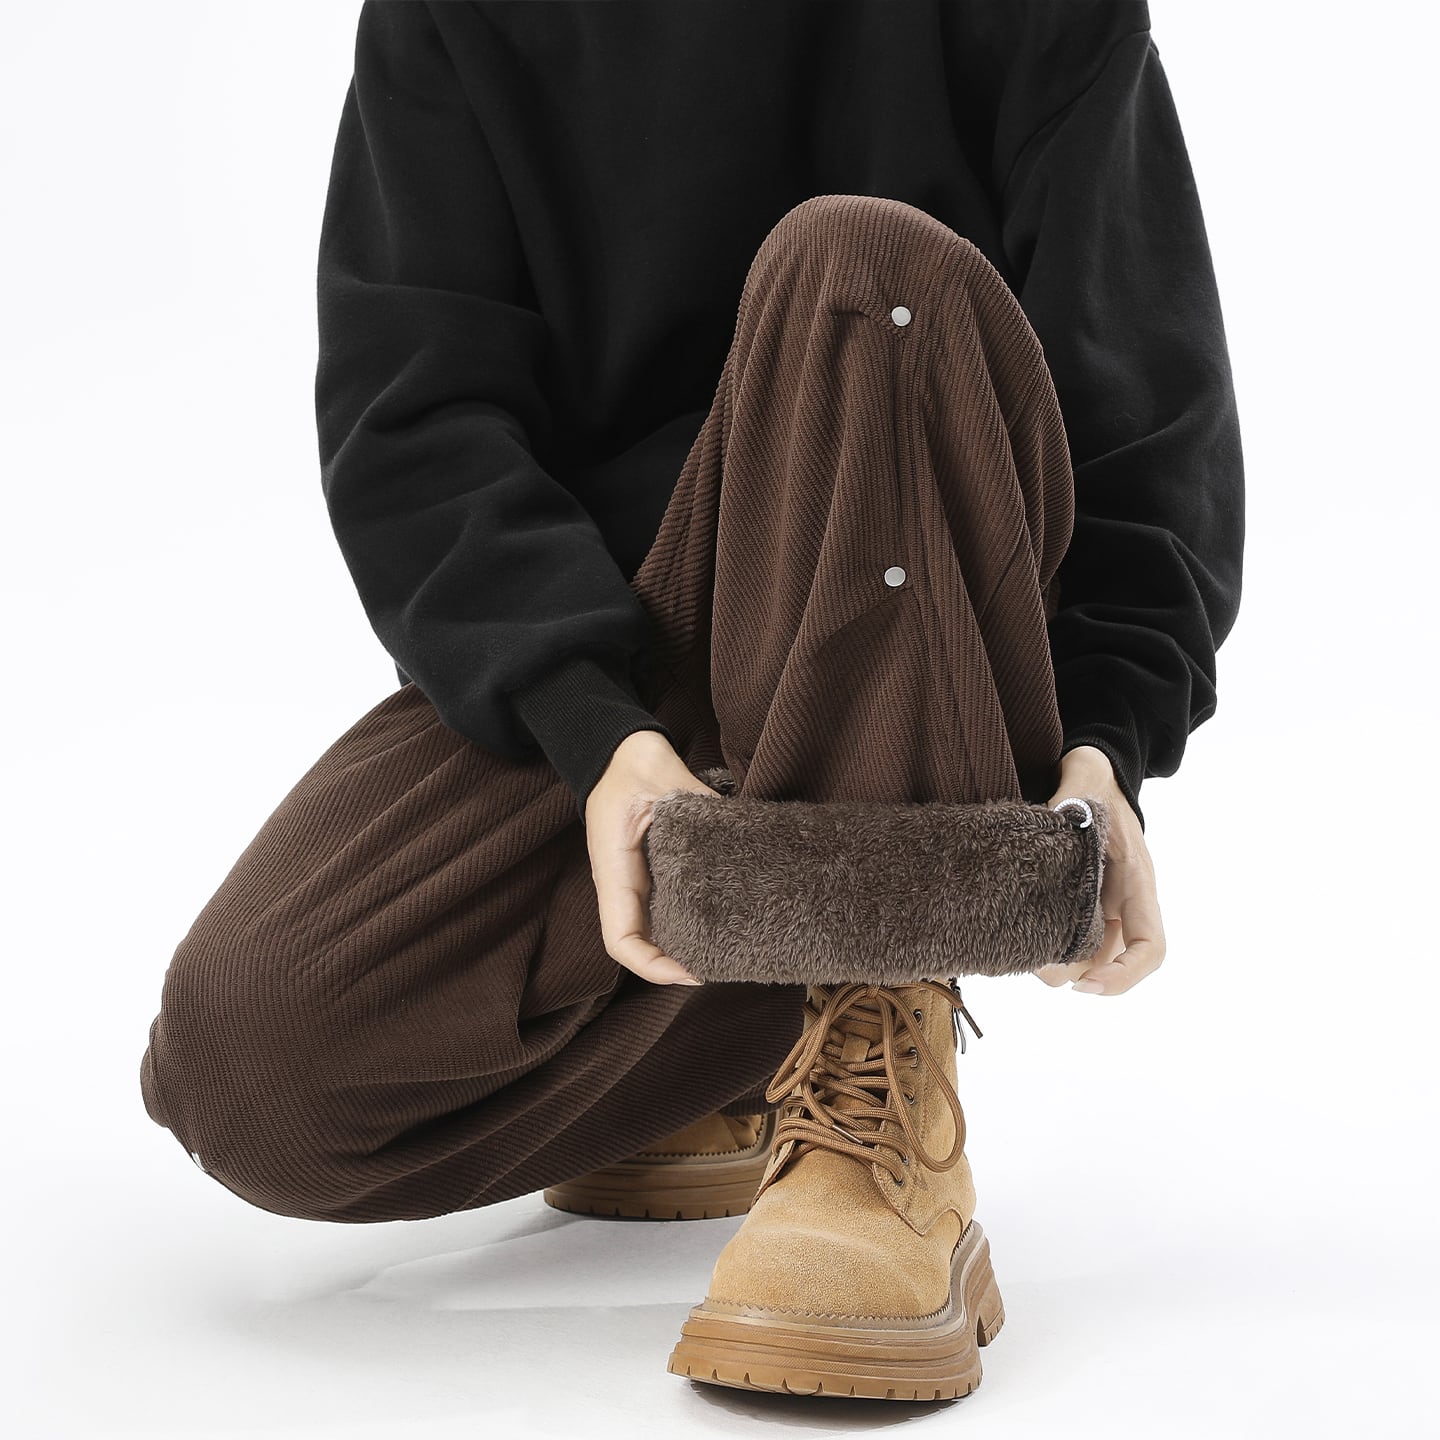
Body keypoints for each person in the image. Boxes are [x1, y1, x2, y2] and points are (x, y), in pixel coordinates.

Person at [139, 0, 1244, 1404]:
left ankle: (878, 1093)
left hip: (933, 616)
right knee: (254, 1069)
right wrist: (595, 729)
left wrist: (1107, 742)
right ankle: (734, 1053)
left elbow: (1148, 412)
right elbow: (416, 414)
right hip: (639, 638)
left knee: (860, 268)